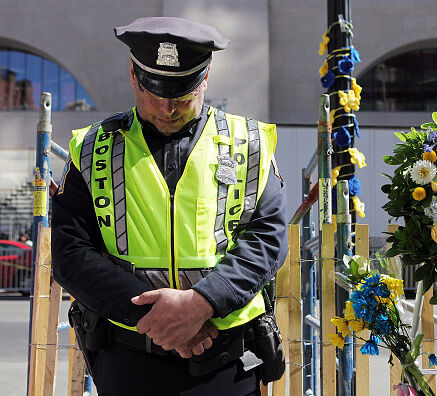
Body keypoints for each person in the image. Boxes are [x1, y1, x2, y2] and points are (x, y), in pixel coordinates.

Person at [51, 16, 287, 396]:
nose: (166, 109)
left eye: (182, 97)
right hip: (128, 360)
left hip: (227, 362)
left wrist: (202, 304)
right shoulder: (93, 148)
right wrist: (160, 319)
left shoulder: (250, 143)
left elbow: (267, 240)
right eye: (152, 93)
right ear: (133, 74)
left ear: (205, 76)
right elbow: (70, 254)